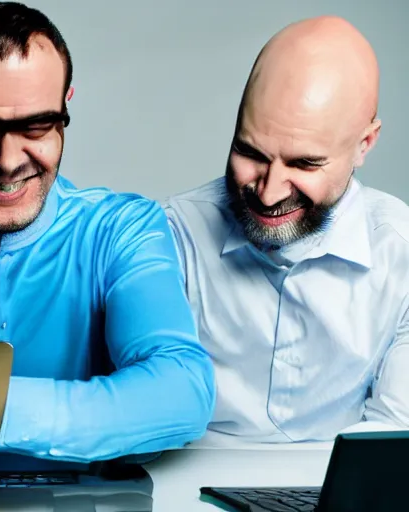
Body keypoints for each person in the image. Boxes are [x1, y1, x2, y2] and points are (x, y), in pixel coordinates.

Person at [0, 1, 215, 462]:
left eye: (36, 125)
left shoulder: (121, 230)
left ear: (65, 111)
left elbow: (181, 389)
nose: (7, 160)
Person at [165, 16, 409, 443]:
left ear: (363, 145)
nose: (270, 192)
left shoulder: (400, 253)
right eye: (250, 152)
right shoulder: (172, 235)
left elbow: (390, 442)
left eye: (304, 163)